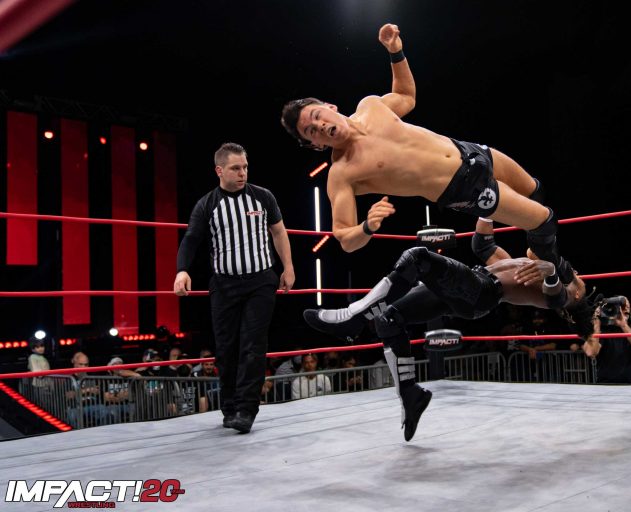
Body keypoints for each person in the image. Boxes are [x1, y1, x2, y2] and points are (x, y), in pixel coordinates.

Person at [280, 23, 574, 286]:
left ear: (329, 107)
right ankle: (561, 281)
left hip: (468, 151)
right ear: (316, 144)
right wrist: (367, 226)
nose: (320, 126)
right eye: (311, 131)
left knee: (535, 190)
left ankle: (541, 258)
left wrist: (396, 52)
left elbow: (406, 96)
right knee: (544, 221)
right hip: (464, 189)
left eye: (317, 116)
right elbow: (344, 238)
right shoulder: (342, 172)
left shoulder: (370, 105)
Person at [302, 219, 597, 441]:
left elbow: (556, 296)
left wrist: (551, 271)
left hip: (481, 292)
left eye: (577, 278)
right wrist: (488, 203)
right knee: (388, 319)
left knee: (418, 257)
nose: (577, 273)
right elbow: (482, 245)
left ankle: (353, 318)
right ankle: (410, 395)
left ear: (576, 296)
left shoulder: (564, 293)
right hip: (469, 289)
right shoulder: (524, 265)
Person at [174, 142, 295, 434]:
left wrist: (288, 267)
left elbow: (279, 231)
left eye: (245, 167)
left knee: (253, 345)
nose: (243, 173)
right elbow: (191, 239)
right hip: (224, 284)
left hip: (260, 281)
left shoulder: (263, 197)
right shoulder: (207, 204)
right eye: (235, 168)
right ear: (219, 170)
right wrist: (182, 270)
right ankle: (229, 408)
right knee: (226, 348)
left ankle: (246, 409)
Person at [582, 296, 631, 384]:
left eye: (627, 309)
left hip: (629, 385)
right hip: (604, 384)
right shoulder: (603, 332)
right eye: (622, 308)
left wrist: (624, 325)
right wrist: (596, 324)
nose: (624, 311)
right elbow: (590, 352)